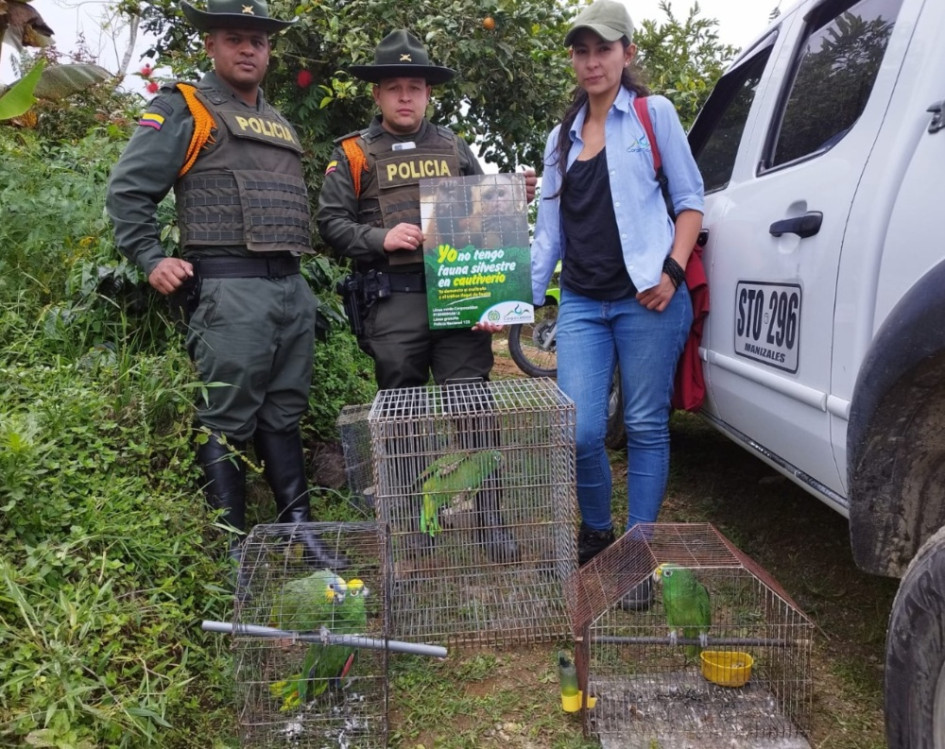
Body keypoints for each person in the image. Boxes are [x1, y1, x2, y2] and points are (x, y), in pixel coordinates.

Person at [106, 0, 347, 578]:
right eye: (236, 38)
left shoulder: (278, 121)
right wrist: (149, 256)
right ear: (211, 45)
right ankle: (233, 547)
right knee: (227, 416)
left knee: (284, 413)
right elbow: (128, 191)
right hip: (230, 289)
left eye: (259, 42)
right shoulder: (185, 108)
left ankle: (298, 530)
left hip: (290, 289)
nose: (248, 50)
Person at [317, 29, 533, 562]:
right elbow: (329, 224)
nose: (406, 96)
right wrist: (379, 238)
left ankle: (490, 521)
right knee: (404, 418)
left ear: (429, 93)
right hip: (395, 303)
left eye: (415, 86)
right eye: (395, 87)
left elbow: (490, 217)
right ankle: (415, 524)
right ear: (378, 95)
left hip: (459, 300)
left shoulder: (455, 148)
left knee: (474, 409)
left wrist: (511, 197)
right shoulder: (353, 154)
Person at [530, 0, 705, 599]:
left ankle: (637, 556)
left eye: (603, 49)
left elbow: (689, 201)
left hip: (647, 299)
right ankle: (599, 533)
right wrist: (516, 302)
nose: (591, 61)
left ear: (627, 53)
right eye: (581, 51)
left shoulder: (654, 115)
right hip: (581, 302)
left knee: (644, 424)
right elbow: (548, 233)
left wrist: (672, 273)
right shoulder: (560, 138)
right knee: (578, 431)